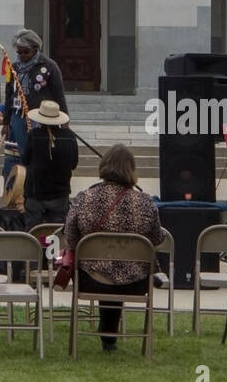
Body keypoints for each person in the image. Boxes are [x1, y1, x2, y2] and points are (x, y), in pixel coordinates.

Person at [62, 143, 163, 352]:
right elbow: (156, 239)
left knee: (104, 270)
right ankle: (109, 338)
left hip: (91, 280)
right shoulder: (145, 203)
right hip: (135, 283)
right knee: (118, 268)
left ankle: (108, 337)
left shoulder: (85, 198)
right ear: (132, 170)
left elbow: (70, 238)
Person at [0, 30, 68, 182]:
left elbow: (59, 94)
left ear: (35, 49)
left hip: (40, 116)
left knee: (38, 151)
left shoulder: (49, 66)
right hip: (18, 116)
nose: (22, 55)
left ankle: (38, 181)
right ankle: (23, 184)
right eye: (19, 52)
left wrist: (65, 119)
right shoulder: (14, 67)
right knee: (23, 151)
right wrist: (6, 122)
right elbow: (8, 95)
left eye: (25, 52)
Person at [18, 100, 79, 227]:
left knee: (34, 231)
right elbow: (73, 164)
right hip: (60, 193)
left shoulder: (34, 135)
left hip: (35, 193)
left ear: (40, 119)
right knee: (56, 232)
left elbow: (25, 160)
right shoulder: (70, 136)